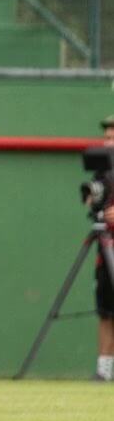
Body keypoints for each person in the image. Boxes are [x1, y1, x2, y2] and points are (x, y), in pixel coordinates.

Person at [91, 116, 114, 381]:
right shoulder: (101, 173)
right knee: (106, 311)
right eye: (106, 137)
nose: (107, 142)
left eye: (112, 138)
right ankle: (104, 370)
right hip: (105, 247)